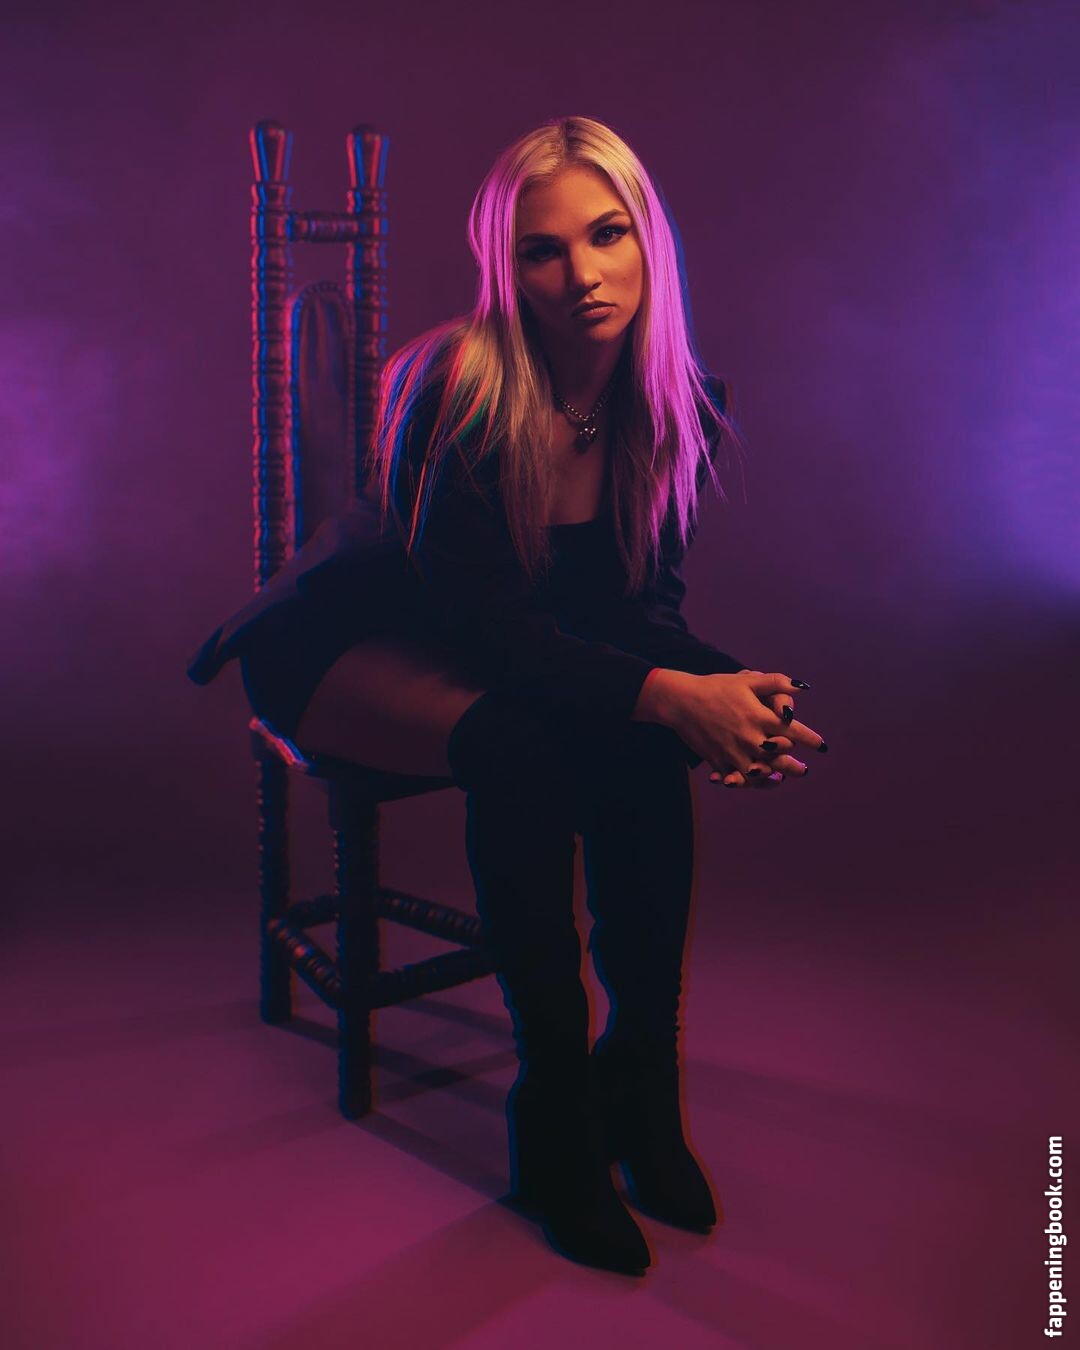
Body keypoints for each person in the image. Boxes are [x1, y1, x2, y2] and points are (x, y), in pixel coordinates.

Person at [187, 114, 827, 1276]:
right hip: (347, 643)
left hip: (491, 645)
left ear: (648, 240)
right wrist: (671, 694)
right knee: (528, 745)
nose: (583, 275)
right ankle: (555, 1112)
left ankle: (642, 1083)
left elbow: (640, 617)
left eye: (607, 234)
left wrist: (725, 694)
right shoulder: (465, 388)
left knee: (649, 734)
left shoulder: (676, 402)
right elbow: (486, 630)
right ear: (506, 265)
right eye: (544, 250)